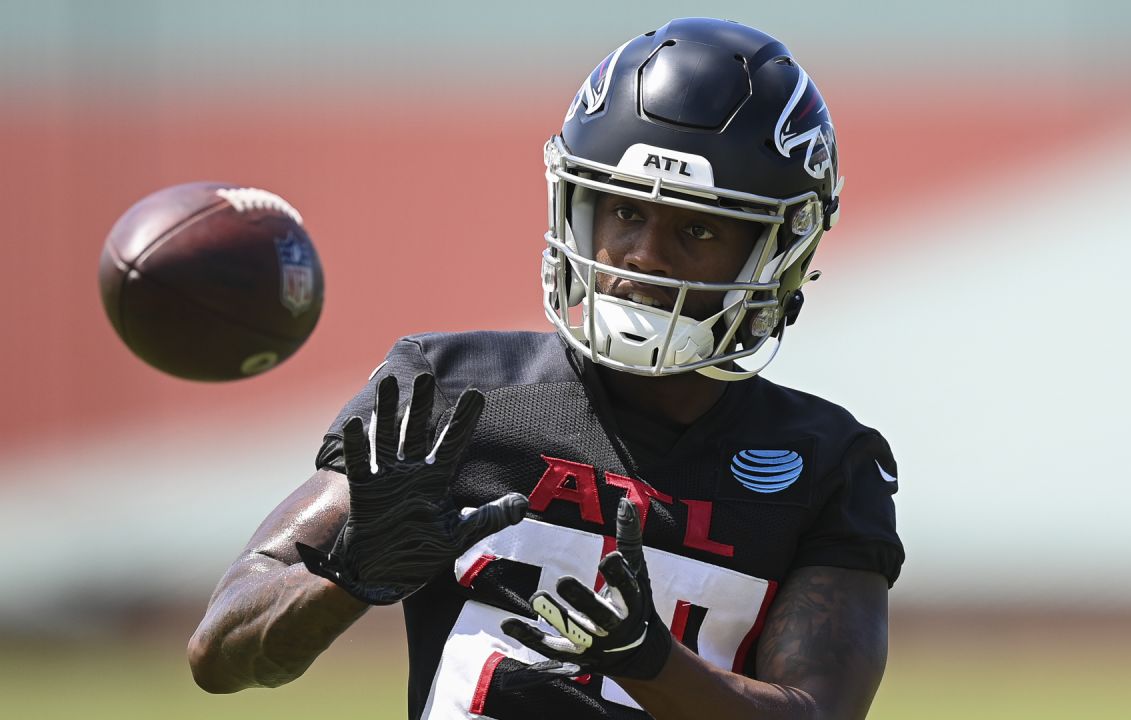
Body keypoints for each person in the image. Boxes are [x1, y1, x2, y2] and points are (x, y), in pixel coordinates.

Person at [188, 17, 903, 720]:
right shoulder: (454, 391)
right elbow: (220, 652)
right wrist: (347, 577)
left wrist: (654, 665)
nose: (643, 254)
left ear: (778, 253)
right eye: (622, 211)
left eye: (698, 226)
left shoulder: (825, 465)